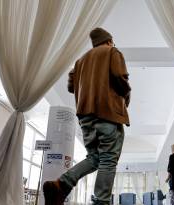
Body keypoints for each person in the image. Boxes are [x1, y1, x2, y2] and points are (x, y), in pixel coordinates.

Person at [43, 27, 131, 205]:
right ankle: (101, 202)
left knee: (94, 158)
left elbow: (70, 86)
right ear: (108, 40)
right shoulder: (112, 52)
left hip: (85, 117)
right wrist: (126, 94)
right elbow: (119, 77)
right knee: (108, 159)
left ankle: (61, 184)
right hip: (108, 113)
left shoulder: (80, 61)